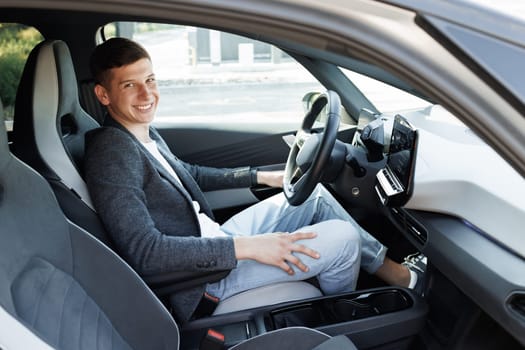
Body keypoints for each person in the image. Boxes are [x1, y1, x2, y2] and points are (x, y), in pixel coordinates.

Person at [84, 37, 425, 322]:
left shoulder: (140, 134)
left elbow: (190, 175)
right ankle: (339, 317)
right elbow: (145, 252)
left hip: (212, 240)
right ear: (103, 95)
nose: (147, 95)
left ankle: (397, 275)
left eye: (151, 80)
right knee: (344, 237)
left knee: (313, 197)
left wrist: (264, 176)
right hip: (202, 281)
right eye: (130, 85)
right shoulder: (111, 150)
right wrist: (250, 248)